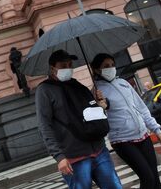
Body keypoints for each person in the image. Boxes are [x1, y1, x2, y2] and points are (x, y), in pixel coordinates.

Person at [36, 49, 122, 189]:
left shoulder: (77, 85)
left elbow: (91, 112)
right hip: (74, 157)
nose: (68, 69)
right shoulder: (45, 90)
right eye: (63, 66)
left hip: (99, 150)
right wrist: (59, 157)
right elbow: (44, 125)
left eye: (70, 65)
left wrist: (99, 103)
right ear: (53, 69)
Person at [91, 53, 161, 189]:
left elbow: (141, 107)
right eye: (106, 66)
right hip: (123, 141)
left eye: (112, 65)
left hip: (143, 135)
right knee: (147, 178)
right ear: (97, 70)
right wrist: (101, 106)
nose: (111, 68)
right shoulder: (96, 91)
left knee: (155, 179)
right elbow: (97, 118)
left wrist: (156, 129)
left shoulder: (123, 83)